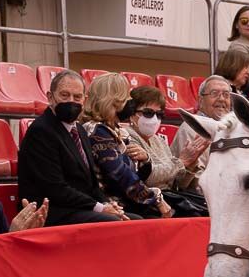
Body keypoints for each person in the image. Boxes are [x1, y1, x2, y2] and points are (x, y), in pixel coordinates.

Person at [18, 69, 129, 226]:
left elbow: (91, 183)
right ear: (50, 97)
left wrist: (107, 204)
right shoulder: (42, 130)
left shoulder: (80, 129)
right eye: (64, 95)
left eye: (77, 97)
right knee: (113, 223)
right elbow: (55, 188)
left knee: (134, 220)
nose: (71, 101)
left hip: (80, 208)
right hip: (51, 211)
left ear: (85, 99)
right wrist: (99, 208)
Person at [84, 73, 173, 220]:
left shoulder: (114, 129)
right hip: (112, 203)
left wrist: (144, 159)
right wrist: (156, 198)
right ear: (113, 100)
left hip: (127, 200)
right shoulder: (97, 132)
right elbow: (121, 176)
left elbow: (135, 174)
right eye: (126, 97)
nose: (129, 102)